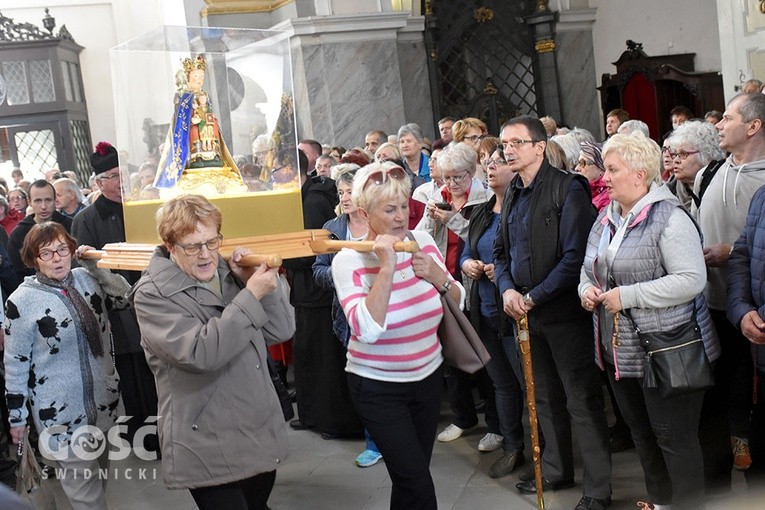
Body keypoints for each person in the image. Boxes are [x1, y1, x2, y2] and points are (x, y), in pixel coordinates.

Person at [579, 132, 719, 509]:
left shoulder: (669, 217)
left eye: (612, 169)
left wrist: (627, 296)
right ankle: (660, 504)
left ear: (640, 174)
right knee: (643, 436)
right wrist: (586, 291)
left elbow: (691, 279)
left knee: (675, 441)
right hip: (619, 350)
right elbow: (589, 269)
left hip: (667, 348)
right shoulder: (607, 217)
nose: (603, 177)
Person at [131, 195, 294, 510]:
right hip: (204, 439)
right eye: (193, 246)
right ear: (170, 245)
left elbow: (280, 330)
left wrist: (261, 288)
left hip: (252, 429)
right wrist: (251, 295)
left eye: (212, 241)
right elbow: (199, 353)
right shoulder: (152, 295)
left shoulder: (227, 271)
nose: (205, 254)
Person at [493, 115, 611, 510]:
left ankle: (598, 489)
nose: (506, 150)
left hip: (562, 313)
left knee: (581, 399)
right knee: (541, 396)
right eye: (503, 144)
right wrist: (507, 288)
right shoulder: (512, 192)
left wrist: (534, 297)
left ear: (539, 147)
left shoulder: (568, 189)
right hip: (525, 312)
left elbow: (575, 257)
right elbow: (501, 252)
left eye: (515, 143)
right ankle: (556, 470)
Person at [332, 161, 465, 509]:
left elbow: (458, 301)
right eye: (389, 209)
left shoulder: (420, 240)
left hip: (427, 378)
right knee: (417, 482)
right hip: (377, 386)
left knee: (411, 477)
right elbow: (366, 329)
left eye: (404, 206)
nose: (400, 217)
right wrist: (387, 267)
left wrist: (440, 278)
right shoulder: (348, 260)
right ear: (364, 213)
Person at [4, 221, 129, 509]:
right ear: (33, 259)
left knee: (99, 483)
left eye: (62, 249)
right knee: (88, 499)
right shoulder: (21, 302)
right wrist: (17, 417)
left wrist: (96, 266)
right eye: (46, 253)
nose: (57, 258)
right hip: (60, 417)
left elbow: (125, 298)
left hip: (103, 406)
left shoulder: (88, 279)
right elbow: (16, 364)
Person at [691, 92, 765, 489]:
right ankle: (716, 482)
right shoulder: (712, 171)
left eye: (729, 118)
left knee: (752, 401)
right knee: (717, 398)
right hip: (715, 304)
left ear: (753, 126)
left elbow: (754, 245)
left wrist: (731, 250)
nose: (718, 124)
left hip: (756, 311)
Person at [72, 142, 159, 454]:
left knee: (159, 369)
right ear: (99, 183)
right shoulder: (85, 220)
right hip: (117, 311)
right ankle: (146, 440)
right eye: (113, 176)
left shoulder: (142, 211)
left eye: (125, 175)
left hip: (153, 298)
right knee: (132, 375)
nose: (122, 182)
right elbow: (86, 269)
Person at [415, 142, 494, 446]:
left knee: (482, 353)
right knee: (452, 355)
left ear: (472, 172)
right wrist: (432, 219)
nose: (450, 184)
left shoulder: (485, 197)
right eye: (446, 178)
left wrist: (455, 221)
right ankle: (463, 417)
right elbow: (421, 235)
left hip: (474, 285)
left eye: (457, 177)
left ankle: (495, 424)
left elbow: (483, 238)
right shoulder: (438, 196)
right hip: (442, 282)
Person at [460, 147, 527, 478]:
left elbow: (528, 257)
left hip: (513, 311)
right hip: (484, 310)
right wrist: (469, 264)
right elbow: (464, 251)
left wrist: (500, 271)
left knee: (528, 383)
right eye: (486, 164)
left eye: (497, 163)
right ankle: (513, 446)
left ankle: (541, 448)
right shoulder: (483, 212)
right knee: (501, 384)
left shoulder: (520, 210)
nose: (490, 169)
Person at [312, 165, 376, 467]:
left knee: (386, 379)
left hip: (383, 309)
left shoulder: (379, 221)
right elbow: (318, 271)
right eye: (341, 193)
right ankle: (373, 442)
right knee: (362, 382)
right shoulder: (332, 227)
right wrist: (343, 273)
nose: (345, 198)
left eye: (350, 192)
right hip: (347, 315)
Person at [154, 55, 244, 192]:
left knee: (212, 131)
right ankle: (196, 158)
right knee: (195, 133)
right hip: (192, 126)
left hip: (205, 122)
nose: (199, 80)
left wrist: (209, 117)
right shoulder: (182, 96)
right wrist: (191, 120)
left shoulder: (205, 95)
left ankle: (212, 156)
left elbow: (208, 109)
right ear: (188, 77)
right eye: (196, 77)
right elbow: (181, 115)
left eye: (201, 77)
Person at [7, 180, 72, 284]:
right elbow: (16, 270)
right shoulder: (19, 234)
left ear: (55, 200)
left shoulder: (70, 225)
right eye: (38, 201)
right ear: (29, 202)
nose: (43, 206)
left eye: (48, 200)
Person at [665, 120, 725, 210]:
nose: (676, 160)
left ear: (706, 155)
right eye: (675, 154)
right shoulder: (666, 194)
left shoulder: (723, 189)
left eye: (683, 154)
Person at [576, 142, 609, 212]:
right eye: (578, 163)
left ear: (601, 169)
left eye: (583, 163)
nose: (577, 168)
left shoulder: (608, 196)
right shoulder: (579, 190)